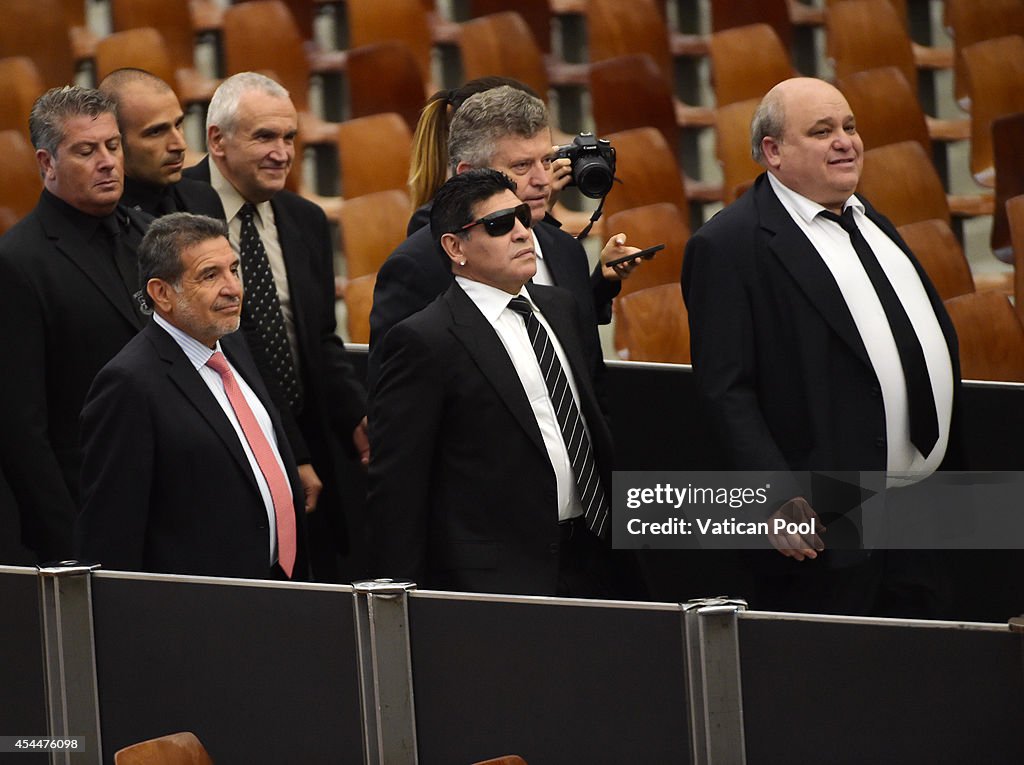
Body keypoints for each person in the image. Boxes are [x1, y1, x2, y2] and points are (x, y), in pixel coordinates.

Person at [681, 77, 963, 616]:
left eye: (850, 127)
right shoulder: (729, 245)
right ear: (773, 151)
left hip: (921, 512)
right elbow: (726, 390)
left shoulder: (867, 215)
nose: (846, 141)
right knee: (839, 684)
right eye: (822, 131)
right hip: (826, 523)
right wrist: (773, 496)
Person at [368, 169, 616, 597]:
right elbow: (398, 488)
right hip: (496, 581)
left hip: (597, 554)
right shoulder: (424, 340)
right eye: (500, 224)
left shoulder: (561, 307)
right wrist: (402, 599)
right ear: (454, 247)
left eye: (522, 217)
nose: (522, 233)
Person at [182, 72, 368, 582]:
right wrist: (290, 454)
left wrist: (357, 414)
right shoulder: (174, 209)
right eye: (265, 137)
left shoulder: (304, 218)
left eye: (289, 137)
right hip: (230, 449)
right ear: (217, 140)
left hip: (311, 439)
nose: (282, 152)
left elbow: (321, 340)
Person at [75, 213, 308, 579]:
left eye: (233, 269)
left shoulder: (233, 343)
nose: (233, 288)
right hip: (200, 610)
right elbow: (112, 533)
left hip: (279, 585)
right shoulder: (128, 385)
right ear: (162, 294)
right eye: (210, 275)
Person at [368, 85, 641, 387]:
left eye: (547, 161)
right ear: (468, 174)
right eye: (522, 166)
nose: (542, 181)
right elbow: (396, 400)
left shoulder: (567, 251)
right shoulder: (417, 267)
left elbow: (588, 380)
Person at [0, 86, 151, 563]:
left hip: (168, 500)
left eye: (112, 146)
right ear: (47, 163)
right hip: (88, 507)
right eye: (86, 151)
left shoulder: (147, 235)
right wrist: (68, 542)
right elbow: (21, 427)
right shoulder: (18, 261)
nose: (107, 161)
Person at [98, 68, 223, 218]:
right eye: (156, 132)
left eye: (178, 124)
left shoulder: (204, 198)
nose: (180, 145)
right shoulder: (105, 221)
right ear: (115, 143)